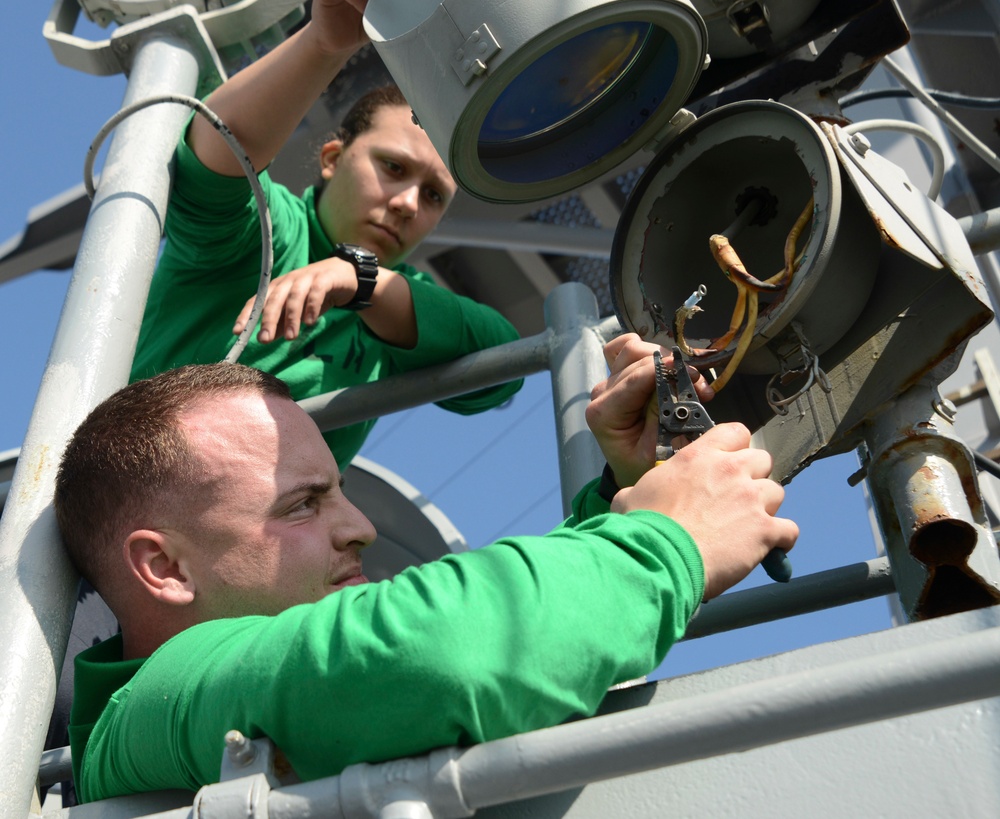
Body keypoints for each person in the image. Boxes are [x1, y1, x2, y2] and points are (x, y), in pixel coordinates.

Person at [55, 334, 798, 803]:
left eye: (339, 491)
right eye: (304, 505)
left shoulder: (204, 703)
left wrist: (618, 498)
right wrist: (665, 538)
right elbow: (439, 653)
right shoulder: (146, 702)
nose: (362, 527)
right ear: (164, 567)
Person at [130, 0, 522, 470]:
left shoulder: (399, 306)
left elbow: (500, 364)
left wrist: (359, 282)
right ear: (334, 158)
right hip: (133, 498)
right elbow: (217, 152)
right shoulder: (265, 231)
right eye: (392, 167)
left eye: (434, 195)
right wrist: (325, 41)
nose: (409, 203)